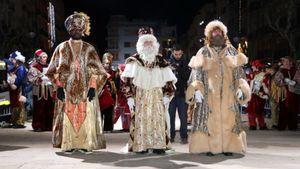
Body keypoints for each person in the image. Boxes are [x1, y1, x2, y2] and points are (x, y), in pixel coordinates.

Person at [46, 12, 107, 153]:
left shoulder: (89, 48)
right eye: (73, 29)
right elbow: (53, 70)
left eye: (80, 29)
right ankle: (69, 144)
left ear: (83, 30)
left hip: (86, 90)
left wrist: (93, 87)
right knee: (68, 116)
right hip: (66, 90)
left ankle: (85, 144)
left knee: (85, 115)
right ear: (69, 30)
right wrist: (59, 87)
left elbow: (97, 71)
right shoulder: (61, 48)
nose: (77, 31)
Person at [187, 20, 251, 156]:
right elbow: (196, 73)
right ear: (209, 34)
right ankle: (209, 147)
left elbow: (238, 72)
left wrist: (241, 87)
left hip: (228, 95)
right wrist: (196, 89)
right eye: (214, 31)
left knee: (229, 120)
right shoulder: (203, 51)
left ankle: (229, 147)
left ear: (223, 34)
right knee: (208, 121)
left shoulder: (231, 51)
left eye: (219, 31)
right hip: (208, 96)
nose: (217, 33)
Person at [121, 27, 177, 154]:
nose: (148, 45)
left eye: (150, 42)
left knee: (158, 120)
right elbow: (126, 81)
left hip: (157, 95)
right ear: (140, 44)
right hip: (140, 95)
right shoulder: (134, 61)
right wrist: (129, 97)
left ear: (155, 44)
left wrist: (168, 95)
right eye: (145, 42)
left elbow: (169, 80)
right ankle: (141, 145)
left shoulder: (161, 60)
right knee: (141, 120)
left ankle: (158, 145)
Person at [168, 44, 190, 144]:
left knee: (183, 116)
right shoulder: (167, 62)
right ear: (172, 53)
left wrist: (178, 68)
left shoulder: (186, 63)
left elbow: (187, 77)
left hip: (182, 93)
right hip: (170, 94)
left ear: (182, 53)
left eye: (179, 54)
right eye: (176, 54)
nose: (178, 56)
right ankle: (171, 136)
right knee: (170, 116)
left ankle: (184, 136)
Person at [28, 49, 54, 131]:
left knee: (49, 107)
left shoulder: (49, 66)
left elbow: (54, 76)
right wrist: (40, 78)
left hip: (49, 88)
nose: (45, 58)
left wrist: (51, 78)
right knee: (39, 107)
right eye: (43, 57)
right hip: (38, 89)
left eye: (46, 57)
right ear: (39, 58)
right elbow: (30, 78)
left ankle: (49, 125)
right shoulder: (34, 67)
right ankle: (39, 125)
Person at [274, 56, 299, 130]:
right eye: (284, 61)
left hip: (295, 92)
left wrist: (295, 82)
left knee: (294, 110)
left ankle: (293, 126)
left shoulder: (296, 70)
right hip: (284, 93)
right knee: (283, 109)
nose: (285, 63)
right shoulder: (281, 71)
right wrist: (285, 81)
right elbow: (276, 81)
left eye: (287, 61)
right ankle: (282, 126)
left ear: (291, 62)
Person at [7, 51, 28, 128]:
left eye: (12, 59)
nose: (11, 61)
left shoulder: (21, 68)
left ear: (17, 60)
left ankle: (20, 122)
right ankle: (15, 120)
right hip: (15, 89)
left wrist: (13, 82)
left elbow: (20, 80)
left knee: (20, 104)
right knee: (15, 104)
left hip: (19, 89)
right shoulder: (16, 68)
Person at [245, 60, 268, 130]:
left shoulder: (263, 75)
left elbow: (265, 84)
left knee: (257, 110)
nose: (252, 67)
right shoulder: (251, 74)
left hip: (260, 95)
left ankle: (259, 124)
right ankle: (255, 124)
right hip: (253, 94)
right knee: (252, 110)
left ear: (257, 66)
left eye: (253, 65)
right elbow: (247, 82)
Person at [99, 52, 117, 132]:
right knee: (99, 114)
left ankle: (108, 129)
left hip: (110, 97)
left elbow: (117, 85)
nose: (108, 64)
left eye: (109, 62)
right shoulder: (99, 72)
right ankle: (98, 129)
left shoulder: (114, 73)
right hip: (100, 96)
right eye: (106, 62)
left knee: (109, 114)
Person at [113, 64, 131, 132]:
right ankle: (125, 127)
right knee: (122, 113)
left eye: (120, 70)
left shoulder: (127, 78)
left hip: (125, 98)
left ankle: (127, 127)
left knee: (126, 114)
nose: (119, 71)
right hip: (120, 98)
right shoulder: (118, 78)